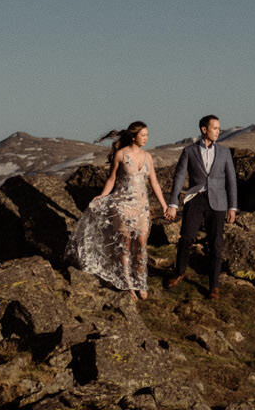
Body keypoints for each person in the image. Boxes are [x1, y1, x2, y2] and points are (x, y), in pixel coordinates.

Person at [71, 121, 176, 298]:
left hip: (142, 207)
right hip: (122, 206)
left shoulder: (148, 157)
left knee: (141, 245)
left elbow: (155, 183)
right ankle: (127, 284)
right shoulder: (121, 155)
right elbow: (112, 179)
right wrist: (102, 196)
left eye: (147, 135)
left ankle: (140, 282)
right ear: (133, 136)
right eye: (143, 135)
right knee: (125, 245)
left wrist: (165, 205)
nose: (146, 138)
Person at [169, 113, 239, 294]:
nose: (218, 131)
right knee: (186, 238)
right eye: (215, 128)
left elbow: (231, 180)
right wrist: (173, 203)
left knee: (216, 243)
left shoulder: (224, 152)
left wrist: (232, 207)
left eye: (219, 128)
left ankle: (214, 285)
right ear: (204, 129)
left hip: (218, 202)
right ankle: (179, 272)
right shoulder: (189, 151)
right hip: (195, 200)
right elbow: (179, 177)